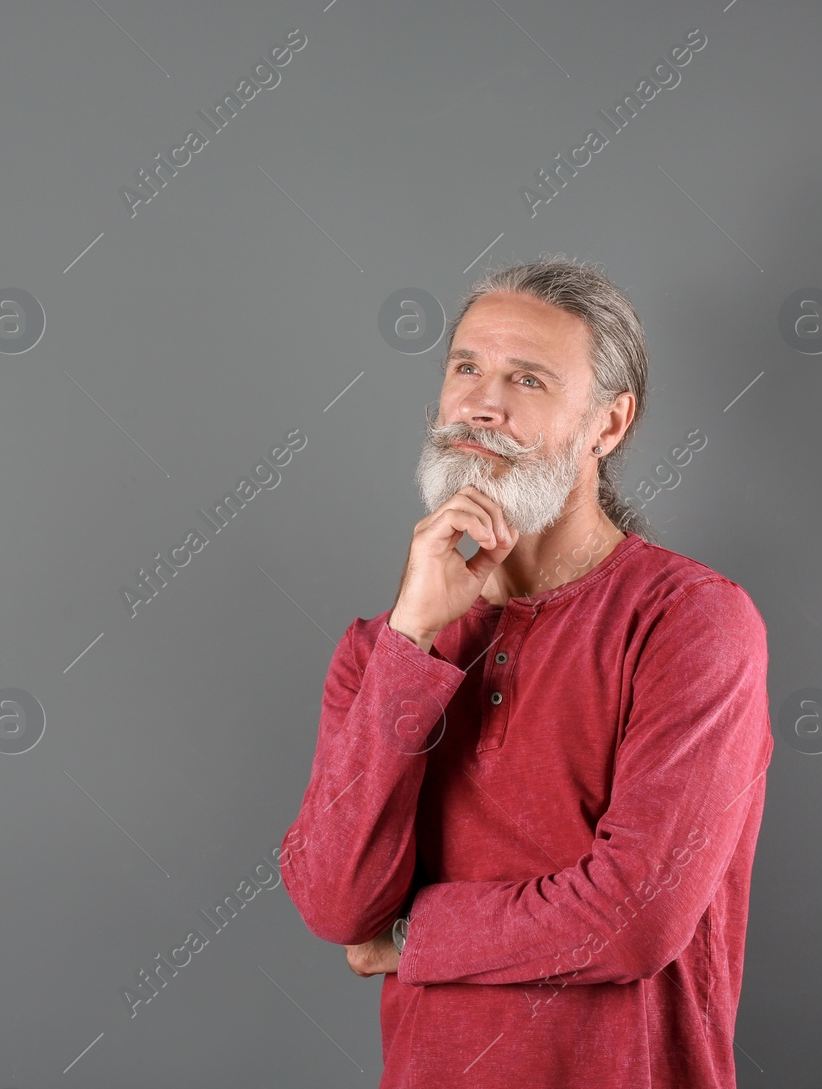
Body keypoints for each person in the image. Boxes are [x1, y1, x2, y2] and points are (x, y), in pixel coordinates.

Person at [280, 256, 773, 1088]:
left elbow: (633, 918)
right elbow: (336, 905)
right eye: (465, 367)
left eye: (529, 380)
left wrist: (411, 938)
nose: (480, 402)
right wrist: (412, 640)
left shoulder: (690, 622)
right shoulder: (379, 651)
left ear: (607, 426)